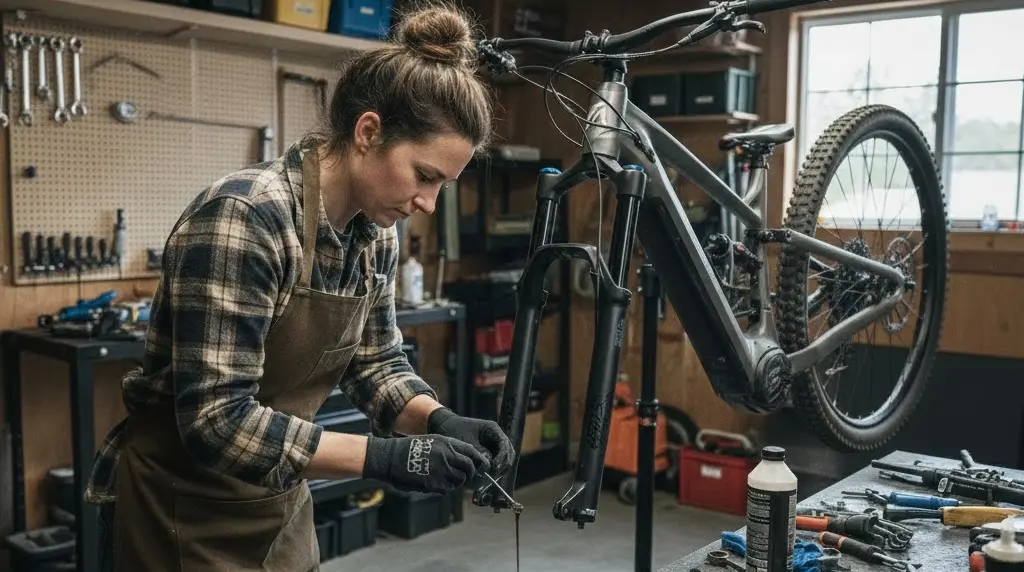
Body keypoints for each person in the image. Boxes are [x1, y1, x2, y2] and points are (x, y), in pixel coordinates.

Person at [85, 4, 515, 571]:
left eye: (443, 186)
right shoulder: (246, 217)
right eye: (425, 176)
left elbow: (376, 364)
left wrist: (438, 419)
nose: (428, 204)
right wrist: (386, 458)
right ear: (368, 132)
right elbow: (218, 421)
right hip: (179, 509)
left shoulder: (374, 233)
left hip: (277, 501)